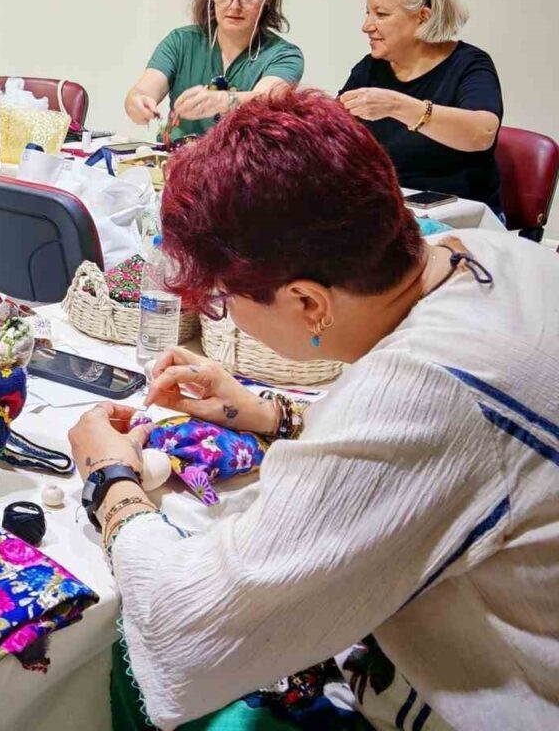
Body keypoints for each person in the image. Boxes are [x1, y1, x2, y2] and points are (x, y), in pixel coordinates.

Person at [68, 92, 558, 730]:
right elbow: (442, 461)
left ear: (307, 303)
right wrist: (271, 416)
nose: (224, 313)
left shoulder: (425, 390)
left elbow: (187, 624)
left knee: (122, 671)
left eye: (224, 301)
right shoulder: (494, 253)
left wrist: (110, 480)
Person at [340, 0, 503, 213]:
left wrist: (397, 105)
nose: (366, 26)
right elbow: (336, 130)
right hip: (385, 209)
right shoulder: (371, 67)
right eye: (367, 12)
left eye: (381, 14)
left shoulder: (469, 64)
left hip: (460, 215)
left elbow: (482, 133)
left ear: (422, 18)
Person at [124, 0, 304, 141]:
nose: (234, 5)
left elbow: (267, 99)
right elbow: (142, 91)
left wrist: (224, 101)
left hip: (241, 172)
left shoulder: (284, 55)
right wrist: (137, 102)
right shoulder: (181, 42)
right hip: (174, 165)